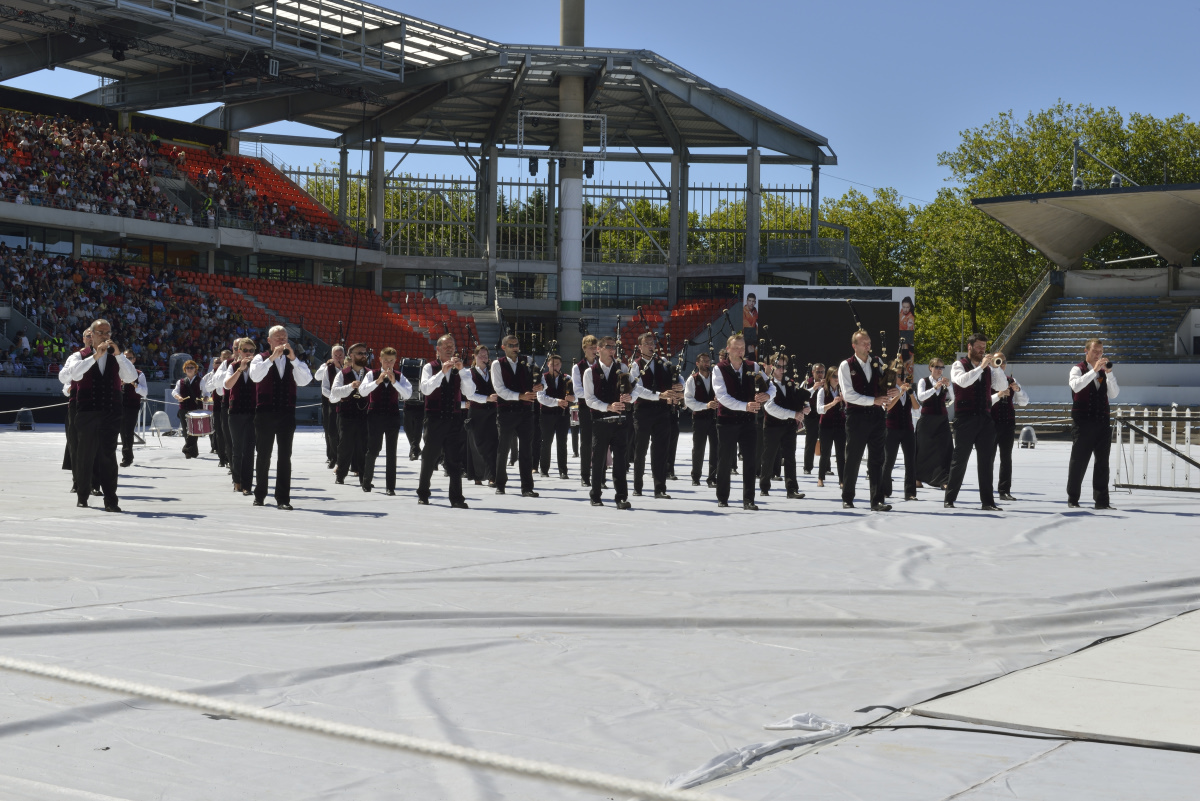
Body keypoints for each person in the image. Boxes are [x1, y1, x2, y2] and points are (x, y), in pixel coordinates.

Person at [59, 318, 137, 511]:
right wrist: (94, 357)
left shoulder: (116, 357)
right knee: (84, 455)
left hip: (111, 412)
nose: (105, 336)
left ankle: (111, 499)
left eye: (108, 333)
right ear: (91, 335)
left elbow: (130, 377)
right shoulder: (79, 356)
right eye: (101, 332)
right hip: (86, 412)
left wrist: (119, 355)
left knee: (108, 455)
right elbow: (70, 376)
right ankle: (82, 495)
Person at [248, 325, 313, 510]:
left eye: (284, 337)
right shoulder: (259, 359)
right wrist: (271, 359)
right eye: (278, 338)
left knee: (285, 457)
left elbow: (306, 380)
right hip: (265, 413)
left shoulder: (294, 361)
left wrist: (293, 359)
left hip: (286, 413)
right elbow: (255, 376)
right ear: (269, 341)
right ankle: (259, 494)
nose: (282, 341)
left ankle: (283, 498)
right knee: (263, 455)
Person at [943, 333, 1009, 511]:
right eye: (979, 347)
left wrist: (996, 368)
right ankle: (949, 499)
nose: (982, 350)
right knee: (960, 460)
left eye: (984, 347)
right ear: (970, 347)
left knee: (986, 461)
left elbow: (1002, 387)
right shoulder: (959, 365)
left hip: (985, 419)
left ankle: (988, 502)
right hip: (965, 418)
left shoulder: (988, 368)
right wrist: (981, 366)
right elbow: (962, 382)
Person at [838, 330, 898, 511]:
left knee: (877, 460)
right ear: (854, 346)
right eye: (864, 343)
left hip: (877, 417)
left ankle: (877, 500)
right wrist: (873, 400)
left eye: (869, 342)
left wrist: (893, 391)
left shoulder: (877, 362)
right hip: (856, 418)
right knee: (853, 459)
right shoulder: (846, 365)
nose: (868, 346)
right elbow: (848, 395)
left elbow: (882, 386)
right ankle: (848, 497)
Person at [713, 333, 773, 510]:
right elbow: (722, 397)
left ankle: (749, 500)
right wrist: (745, 406)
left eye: (742, 347)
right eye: (736, 347)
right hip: (727, 421)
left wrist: (767, 394)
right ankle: (723, 497)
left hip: (748, 422)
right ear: (728, 349)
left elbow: (770, 385)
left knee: (750, 461)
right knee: (725, 460)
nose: (740, 350)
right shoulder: (719, 369)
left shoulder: (753, 366)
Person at [629, 332, 684, 499]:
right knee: (641, 450)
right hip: (643, 411)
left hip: (662, 412)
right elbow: (636, 389)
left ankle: (660, 488)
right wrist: (659, 395)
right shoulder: (635, 365)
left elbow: (679, 378)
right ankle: (638, 486)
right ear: (640, 347)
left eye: (652, 343)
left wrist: (679, 388)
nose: (651, 346)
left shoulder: (664, 363)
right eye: (647, 343)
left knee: (661, 451)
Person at [417, 334, 469, 508]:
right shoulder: (429, 367)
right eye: (446, 345)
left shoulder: (461, 369)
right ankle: (423, 493)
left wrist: (462, 371)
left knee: (455, 461)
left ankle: (457, 498)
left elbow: (470, 390)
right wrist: (442, 372)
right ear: (438, 349)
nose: (450, 348)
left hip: (454, 420)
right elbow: (425, 389)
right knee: (429, 458)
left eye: (452, 345)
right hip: (434, 420)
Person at [1067, 339, 1119, 510]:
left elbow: (1114, 394)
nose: (1099, 355)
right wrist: (1093, 371)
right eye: (1096, 351)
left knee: (1102, 462)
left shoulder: (1104, 372)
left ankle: (1102, 501)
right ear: (1086, 351)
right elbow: (1076, 386)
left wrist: (1109, 373)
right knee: (1079, 461)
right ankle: (1073, 498)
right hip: (1083, 422)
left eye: (1101, 352)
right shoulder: (1078, 369)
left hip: (1102, 422)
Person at [583, 335, 633, 509]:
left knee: (620, 461)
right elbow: (589, 399)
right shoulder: (589, 372)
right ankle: (595, 495)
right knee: (598, 461)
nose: (612, 350)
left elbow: (632, 391)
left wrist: (629, 397)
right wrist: (608, 407)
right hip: (600, 421)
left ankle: (621, 497)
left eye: (614, 347)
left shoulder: (623, 367)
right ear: (599, 349)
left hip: (620, 422)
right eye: (608, 347)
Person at [490, 335, 541, 497]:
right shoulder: (497, 364)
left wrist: (540, 386)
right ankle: (500, 484)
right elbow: (499, 389)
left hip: (526, 412)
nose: (515, 347)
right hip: (506, 412)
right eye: (511, 345)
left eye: (517, 344)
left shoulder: (529, 361)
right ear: (504, 347)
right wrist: (520, 396)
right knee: (503, 449)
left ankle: (527, 487)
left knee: (527, 451)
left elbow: (541, 380)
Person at [359, 347, 413, 496]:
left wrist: (395, 382)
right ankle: (366, 481)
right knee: (373, 450)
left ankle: (390, 487)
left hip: (392, 417)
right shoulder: (372, 374)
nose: (388, 363)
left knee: (391, 452)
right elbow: (362, 391)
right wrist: (377, 381)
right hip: (374, 416)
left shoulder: (400, 376)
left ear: (395, 361)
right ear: (380, 360)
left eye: (391, 361)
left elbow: (408, 394)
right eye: (385, 360)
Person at [759, 353, 808, 499]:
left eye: (784, 367)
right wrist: (793, 414)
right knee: (769, 456)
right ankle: (764, 487)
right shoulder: (768, 384)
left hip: (789, 427)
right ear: (773, 367)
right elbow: (770, 407)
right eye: (779, 366)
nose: (782, 370)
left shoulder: (791, 383)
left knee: (790, 457)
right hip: (772, 426)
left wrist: (804, 408)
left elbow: (797, 401)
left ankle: (792, 489)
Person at [330, 343, 371, 486]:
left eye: (365, 353)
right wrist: (350, 386)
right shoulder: (342, 373)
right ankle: (341, 474)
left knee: (363, 446)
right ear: (351, 356)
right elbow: (334, 392)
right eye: (360, 353)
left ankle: (363, 477)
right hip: (346, 414)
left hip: (365, 414)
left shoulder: (371, 373)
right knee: (345, 446)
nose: (363, 356)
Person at [222, 337, 258, 495]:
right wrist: (240, 369)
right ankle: (237, 480)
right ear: (239, 351)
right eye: (245, 350)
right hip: (236, 411)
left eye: (251, 351)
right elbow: (227, 385)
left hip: (253, 411)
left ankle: (247, 485)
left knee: (250, 449)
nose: (248, 353)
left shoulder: (258, 367)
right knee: (237, 448)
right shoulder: (233, 366)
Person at [992, 354, 1029, 501]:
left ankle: (1004, 490)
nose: (1001, 364)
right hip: (991, 424)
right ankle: (986, 489)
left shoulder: (1011, 380)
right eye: (998, 361)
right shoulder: (988, 380)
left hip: (1007, 423)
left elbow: (1024, 402)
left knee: (1006, 458)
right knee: (988, 458)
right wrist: (998, 395)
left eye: (1003, 361)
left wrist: (1018, 390)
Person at [914, 358, 954, 490]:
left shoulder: (944, 382)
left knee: (945, 449)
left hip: (942, 420)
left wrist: (949, 386)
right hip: (927, 420)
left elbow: (954, 398)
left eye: (942, 368)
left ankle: (944, 479)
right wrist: (934, 388)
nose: (939, 370)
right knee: (923, 449)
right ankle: (918, 478)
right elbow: (921, 397)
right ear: (930, 368)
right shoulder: (923, 381)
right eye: (936, 367)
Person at [464, 345, 499, 486]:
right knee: (476, 444)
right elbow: (469, 395)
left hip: (492, 412)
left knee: (492, 444)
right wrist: (487, 398)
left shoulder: (493, 372)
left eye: (486, 356)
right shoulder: (468, 373)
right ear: (474, 357)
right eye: (481, 356)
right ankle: (477, 475)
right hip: (476, 412)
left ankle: (492, 476)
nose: (484, 358)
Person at [882, 364, 918, 501]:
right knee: (889, 460)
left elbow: (916, 407)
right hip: (891, 428)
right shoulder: (889, 389)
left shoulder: (909, 389)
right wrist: (900, 393)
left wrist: (910, 393)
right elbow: (888, 406)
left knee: (910, 461)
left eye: (904, 375)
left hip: (908, 428)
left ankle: (910, 492)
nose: (902, 378)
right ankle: (885, 490)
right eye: (899, 375)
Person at [683, 351, 719, 488]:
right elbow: (689, 401)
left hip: (714, 418)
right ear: (697, 363)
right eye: (703, 361)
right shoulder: (692, 379)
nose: (706, 363)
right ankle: (696, 476)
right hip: (699, 419)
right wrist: (706, 405)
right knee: (698, 448)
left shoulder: (715, 378)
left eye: (708, 361)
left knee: (715, 448)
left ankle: (712, 477)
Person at [537, 354, 575, 479]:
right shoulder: (543, 378)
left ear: (561, 365)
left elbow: (575, 396)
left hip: (562, 414)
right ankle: (544, 469)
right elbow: (541, 398)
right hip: (547, 415)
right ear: (548, 364)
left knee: (562, 443)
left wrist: (571, 399)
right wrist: (557, 401)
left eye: (557, 364)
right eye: (552, 364)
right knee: (546, 442)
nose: (555, 366)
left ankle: (563, 470)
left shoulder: (567, 378)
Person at [571, 336, 600, 487]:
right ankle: (585, 476)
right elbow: (577, 391)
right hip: (586, 408)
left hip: (601, 407)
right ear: (584, 349)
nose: (594, 350)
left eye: (595, 347)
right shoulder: (578, 367)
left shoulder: (602, 364)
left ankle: (600, 476)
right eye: (590, 347)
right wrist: (593, 395)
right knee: (586, 442)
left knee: (601, 443)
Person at [314, 344, 346, 469]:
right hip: (329, 402)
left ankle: (341, 456)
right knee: (330, 429)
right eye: (335, 355)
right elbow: (318, 378)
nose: (338, 358)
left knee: (343, 431)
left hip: (344, 403)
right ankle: (332, 456)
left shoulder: (348, 367)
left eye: (340, 355)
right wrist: (326, 366)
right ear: (332, 356)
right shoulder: (327, 367)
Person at [815, 369, 845, 488]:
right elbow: (819, 409)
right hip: (826, 426)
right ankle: (820, 478)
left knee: (841, 454)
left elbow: (848, 409)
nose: (836, 378)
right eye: (834, 376)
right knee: (825, 453)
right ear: (828, 377)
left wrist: (845, 401)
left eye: (838, 376)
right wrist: (833, 403)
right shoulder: (822, 391)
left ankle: (842, 480)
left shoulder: (842, 390)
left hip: (840, 425)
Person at [119, 349, 147, 467]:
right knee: (121, 432)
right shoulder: (118, 372)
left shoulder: (139, 373)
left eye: (130, 358)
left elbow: (145, 392)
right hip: (118, 405)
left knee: (128, 432)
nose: (128, 360)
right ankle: (126, 456)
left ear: (134, 360)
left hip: (132, 406)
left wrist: (134, 384)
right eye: (125, 358)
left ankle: (127, 457)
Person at [172, 360, 204, 459]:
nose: (189, 369)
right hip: (184, 408)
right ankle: (192, 452)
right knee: (186, 430)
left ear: (195, 369)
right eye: (187, 368)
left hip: (196, 409)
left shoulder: (201, 380)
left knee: (194, 430)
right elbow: (175, 392)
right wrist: (178, 397)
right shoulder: (180, 381)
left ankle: (187, 449)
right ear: (184, 370)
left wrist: (206, 397)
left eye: (191, 367)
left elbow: (206, 392)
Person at [802, 363, 825, 475]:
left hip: (824, 415)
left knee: (826, 442)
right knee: (810, 441)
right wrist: (814, 388)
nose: (820, 374)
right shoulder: (807, 383)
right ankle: (807, 467)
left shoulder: (827, 383)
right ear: (813, 372)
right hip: (811, 416)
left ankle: (826, 467)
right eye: (818, 372)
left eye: (822, 372)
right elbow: (801, 396)